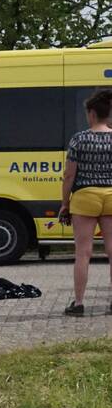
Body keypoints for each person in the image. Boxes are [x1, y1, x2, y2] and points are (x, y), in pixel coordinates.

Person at [60, 88, 112, 316]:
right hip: (111, 196)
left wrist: (65, 203)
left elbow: (69, 175)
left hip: (85, 197)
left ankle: (79, 303)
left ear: (92, 113)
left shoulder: (79, 139)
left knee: (83, 252)